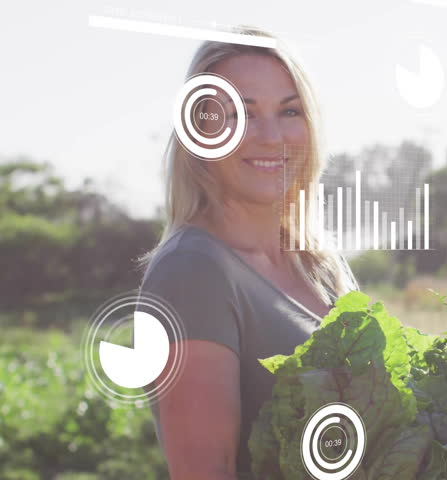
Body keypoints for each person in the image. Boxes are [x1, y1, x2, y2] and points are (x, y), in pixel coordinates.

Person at [139, 27, 356, 480]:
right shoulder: (191, 272)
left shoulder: (320, 265)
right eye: (240, 113)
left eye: (290, 110)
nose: (272, 136)